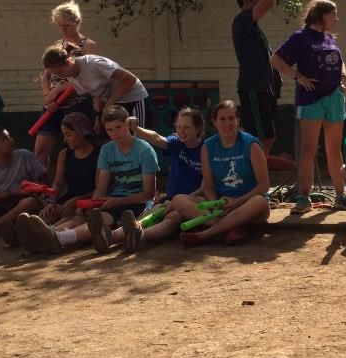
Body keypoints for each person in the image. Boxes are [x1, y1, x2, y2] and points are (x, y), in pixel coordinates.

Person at [19, 105, 158, 255]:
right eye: (110, 130)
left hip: (137, 202)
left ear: (128, 124)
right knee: (87, 215)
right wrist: (93, 205)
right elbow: (101, 187)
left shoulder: (145, 151)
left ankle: (59, 238)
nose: (115, 134)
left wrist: (115, 202)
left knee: (103, 218)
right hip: (112, 199)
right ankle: (46, 236)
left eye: (118, 127)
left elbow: (149, 194)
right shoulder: (107, 149)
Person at [270, 0, 346, 214]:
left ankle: (340, 195)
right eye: (333, 14)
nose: (336, 19)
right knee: (308, 148)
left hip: (334, 98)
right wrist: (298, 77)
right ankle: (304, 197)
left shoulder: (329, 38)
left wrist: (344, 77)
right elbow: (276, 60)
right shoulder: (300, 37)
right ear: (322, 15)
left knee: (334, 148)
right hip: (311, 99)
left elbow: (340, 60)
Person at [89, 106, 207, 253]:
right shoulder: (177, 142)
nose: (181, 131)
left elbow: (206, 186)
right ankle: (111, 236)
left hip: (193, 199)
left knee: (172, 216)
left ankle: (139, 236)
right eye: (178, 126)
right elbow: (157, 138)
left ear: (198, 128)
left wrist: (181, 200)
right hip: (171, 198)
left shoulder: (206, 148)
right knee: (150, 214)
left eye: (186, 127)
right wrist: (137, 129)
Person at [173, 101, 270, 247]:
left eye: (231, 118)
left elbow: (264, 186)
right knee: (178, 199)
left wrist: (236, 202)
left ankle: (205, 234)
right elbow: (209, 186)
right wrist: (216, 207)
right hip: (221, 204)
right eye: (222, 119)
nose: (228, 123)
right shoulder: (208, 147)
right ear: (215, 122)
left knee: (260, 201)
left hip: (247, 204)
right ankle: (230, 227)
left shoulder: (252, 145)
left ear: (238, 121)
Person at [33, 1, 99, 167]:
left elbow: (86, 75)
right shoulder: (56, 45)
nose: (62, 29)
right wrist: (48, 96)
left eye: (66, 25)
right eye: (59, 25)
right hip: (54, 103)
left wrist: (61, 89)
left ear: (76, 22)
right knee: (40, 149)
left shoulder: (87, 45)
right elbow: (45, 74)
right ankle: (45, 189)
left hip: (77, 101)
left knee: (75, 147)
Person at [41, 46, 149, 132]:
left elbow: (130, 79)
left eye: (59, 72)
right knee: (117, 139)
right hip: (113, 103)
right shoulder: (71, 76)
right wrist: (99, 115)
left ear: (69, 61)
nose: (60, 76)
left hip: (133, 98)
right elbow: (97, 92)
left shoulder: (94, 64)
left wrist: (109, 104)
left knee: (137, 136)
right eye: (55, 74)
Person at [232, 0, 281, 154]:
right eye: (256, 0)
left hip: (265, 88)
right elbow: (269, 1)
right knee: (259, 138)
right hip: (253, 87)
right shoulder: (242, 19)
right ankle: (253, 176)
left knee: (270, 136)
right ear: (247, 0)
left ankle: (257, 175)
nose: (260, 3)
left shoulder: (254, 27)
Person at [37, 112, 100, 226]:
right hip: (69, 200)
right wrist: (51, 201)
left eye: (68, 135)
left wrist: (78, 200)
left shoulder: (98, 155)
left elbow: (100, 189)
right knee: (45, 215)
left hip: (88, 202)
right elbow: (58, 183)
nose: (65, 140)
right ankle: (19, 233)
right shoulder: (64, 154)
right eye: (64, 135)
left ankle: (53, 233)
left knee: (67, 220)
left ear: (81, 133)